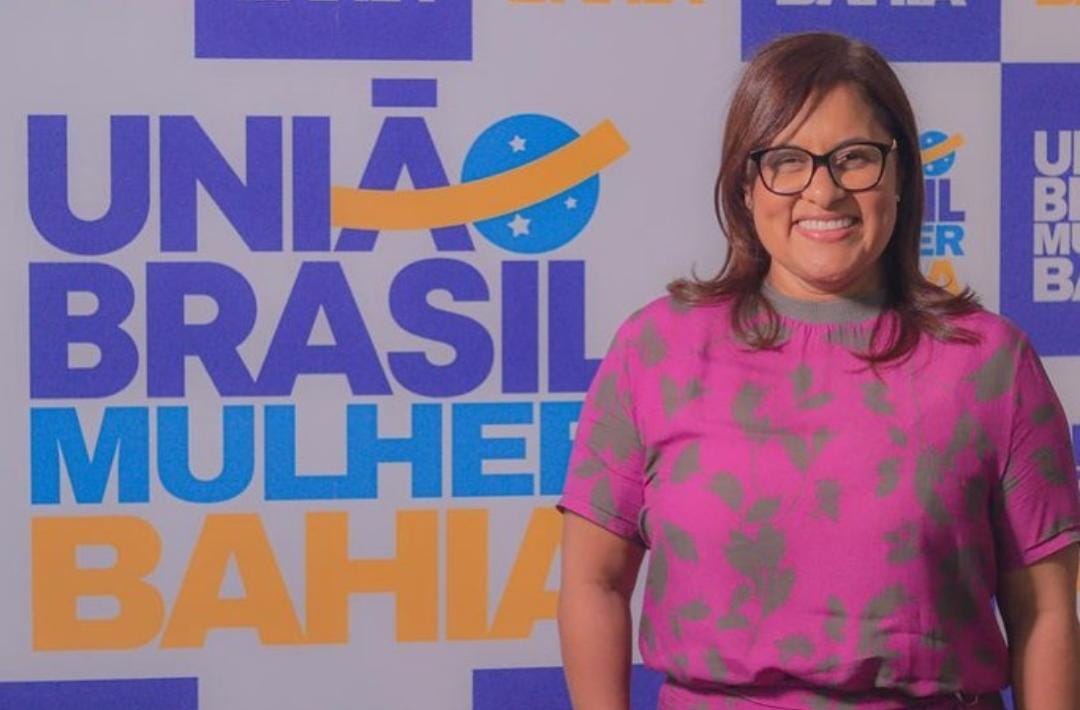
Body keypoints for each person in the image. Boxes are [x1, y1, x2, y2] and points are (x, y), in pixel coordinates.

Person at [556, 32, 1080, 710]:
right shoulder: (655, 350)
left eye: (854, 158)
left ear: (900, 174)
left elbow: (1045, 613)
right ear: (746, 184)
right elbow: (593, 582)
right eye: (787, 161)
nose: (823, 191)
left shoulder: (991, 364)